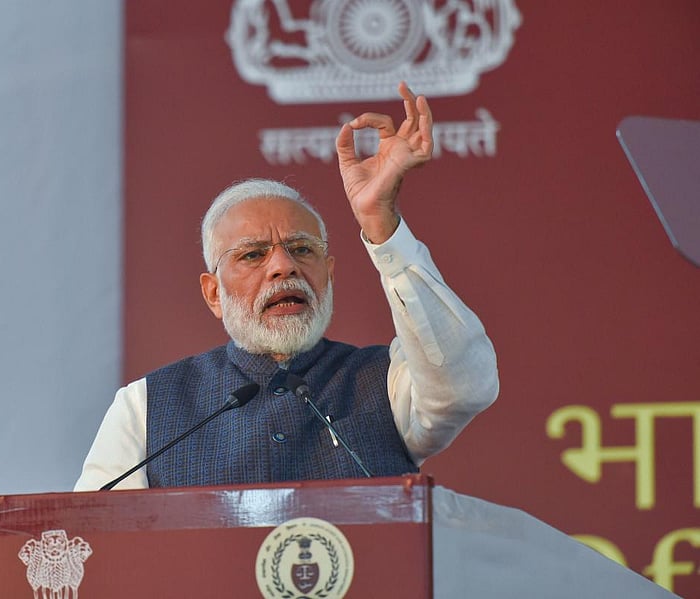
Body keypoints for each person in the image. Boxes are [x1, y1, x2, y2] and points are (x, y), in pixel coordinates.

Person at [74, 82, 499, 491]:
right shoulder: (146, 407)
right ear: (213, 294)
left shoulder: (387, 382)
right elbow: (98, 531)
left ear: (329, 275)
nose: (283, 267)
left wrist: (381, 223)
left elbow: (463, 388)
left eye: (301, 249)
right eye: (252, 255)